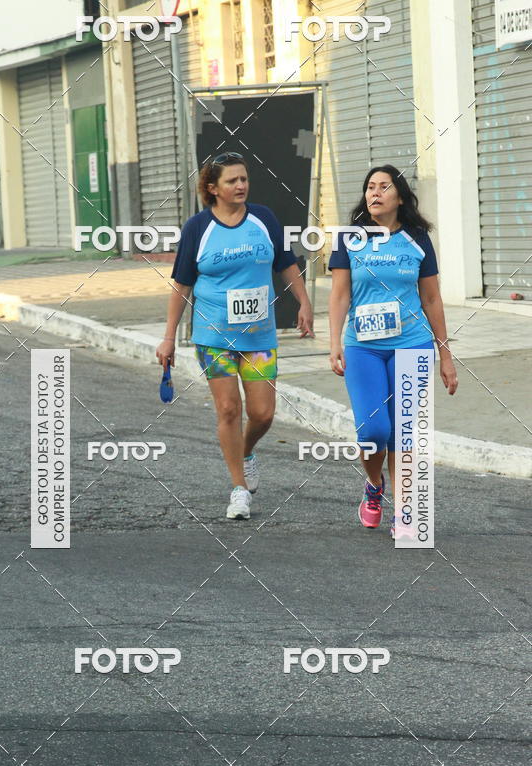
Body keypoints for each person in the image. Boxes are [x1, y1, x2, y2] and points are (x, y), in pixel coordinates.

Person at [156, 151, 314, 520]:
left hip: (259, 335)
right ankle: (239, 488)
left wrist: (304, 303)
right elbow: (181, 285)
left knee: (262, 414)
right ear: (212, 188)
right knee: (229, 408)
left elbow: (286, 264)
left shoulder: (263, 219)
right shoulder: (198, 228)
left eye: (244, 179)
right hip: (214, 335)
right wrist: (168, 338)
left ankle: (245, 451)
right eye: (232, 181)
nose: (241, 185)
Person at [328, 164, 458, 538]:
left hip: (412, 343)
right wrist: (334, 342)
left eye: (384, 187)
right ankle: (373, 488)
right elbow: (339, 295)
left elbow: (432, 299)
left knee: (405, 433)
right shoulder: (350, 238)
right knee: (373, 430)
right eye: (370, 186)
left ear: (400, 197)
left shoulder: (417, 238)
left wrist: (445, 355)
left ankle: (404, 510)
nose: (375, 193)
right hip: (363, 347)